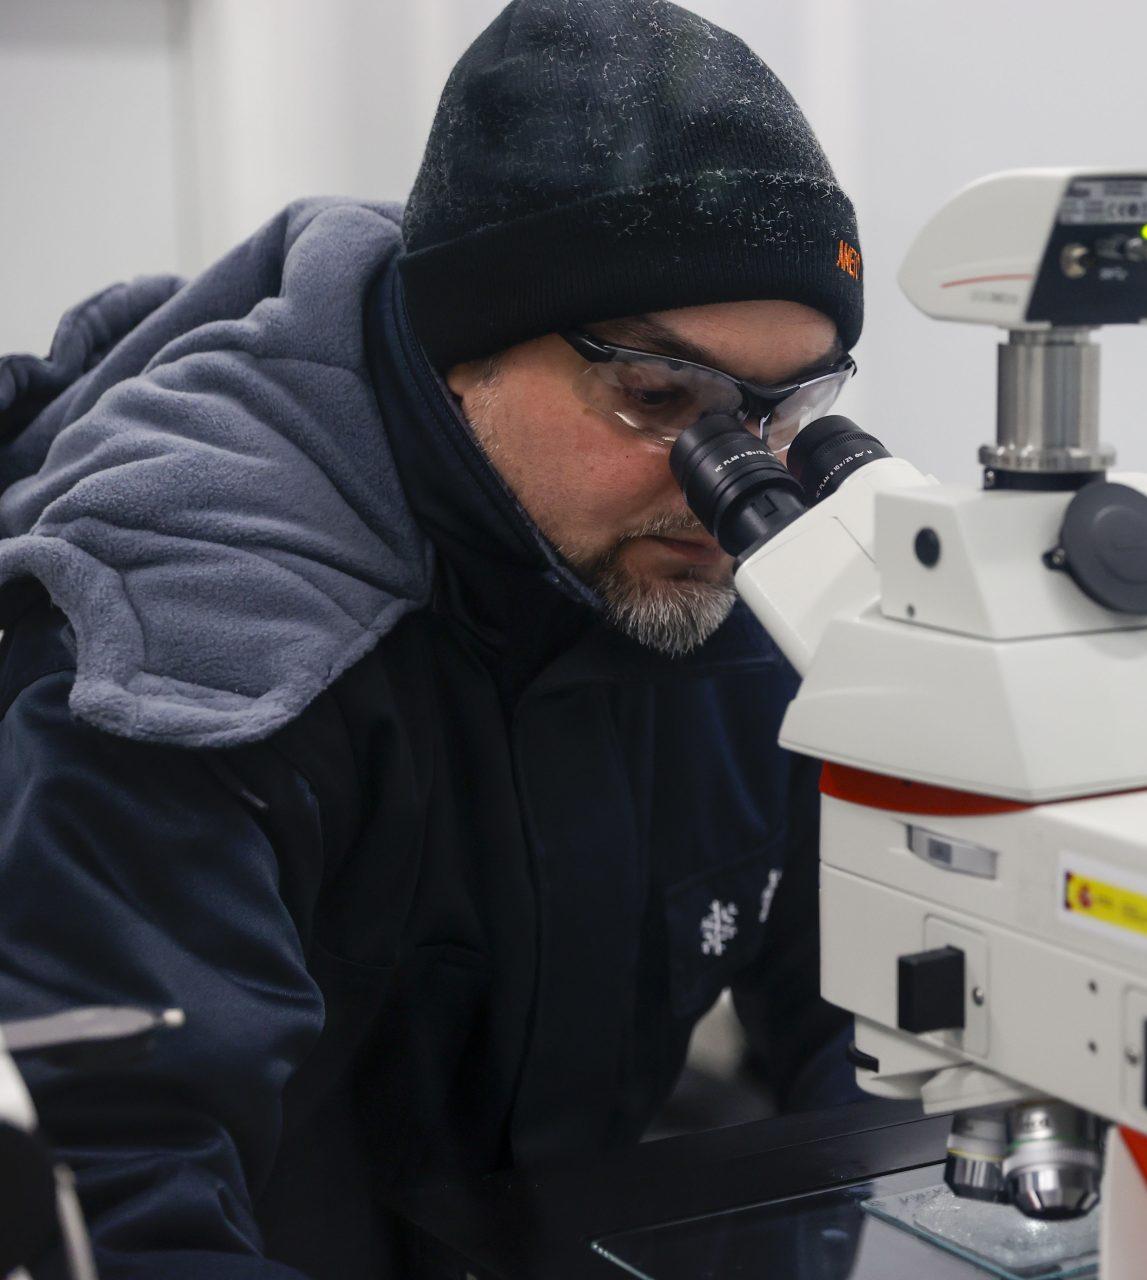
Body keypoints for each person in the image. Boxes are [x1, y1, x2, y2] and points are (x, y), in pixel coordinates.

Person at [0, 2, 868, 1275]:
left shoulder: (715, 569)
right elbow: (128, 1195)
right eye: (659, 396)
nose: (730, 481)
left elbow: (881, 1027)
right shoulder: (198, 632)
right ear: (468, 348)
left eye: (788, 408)